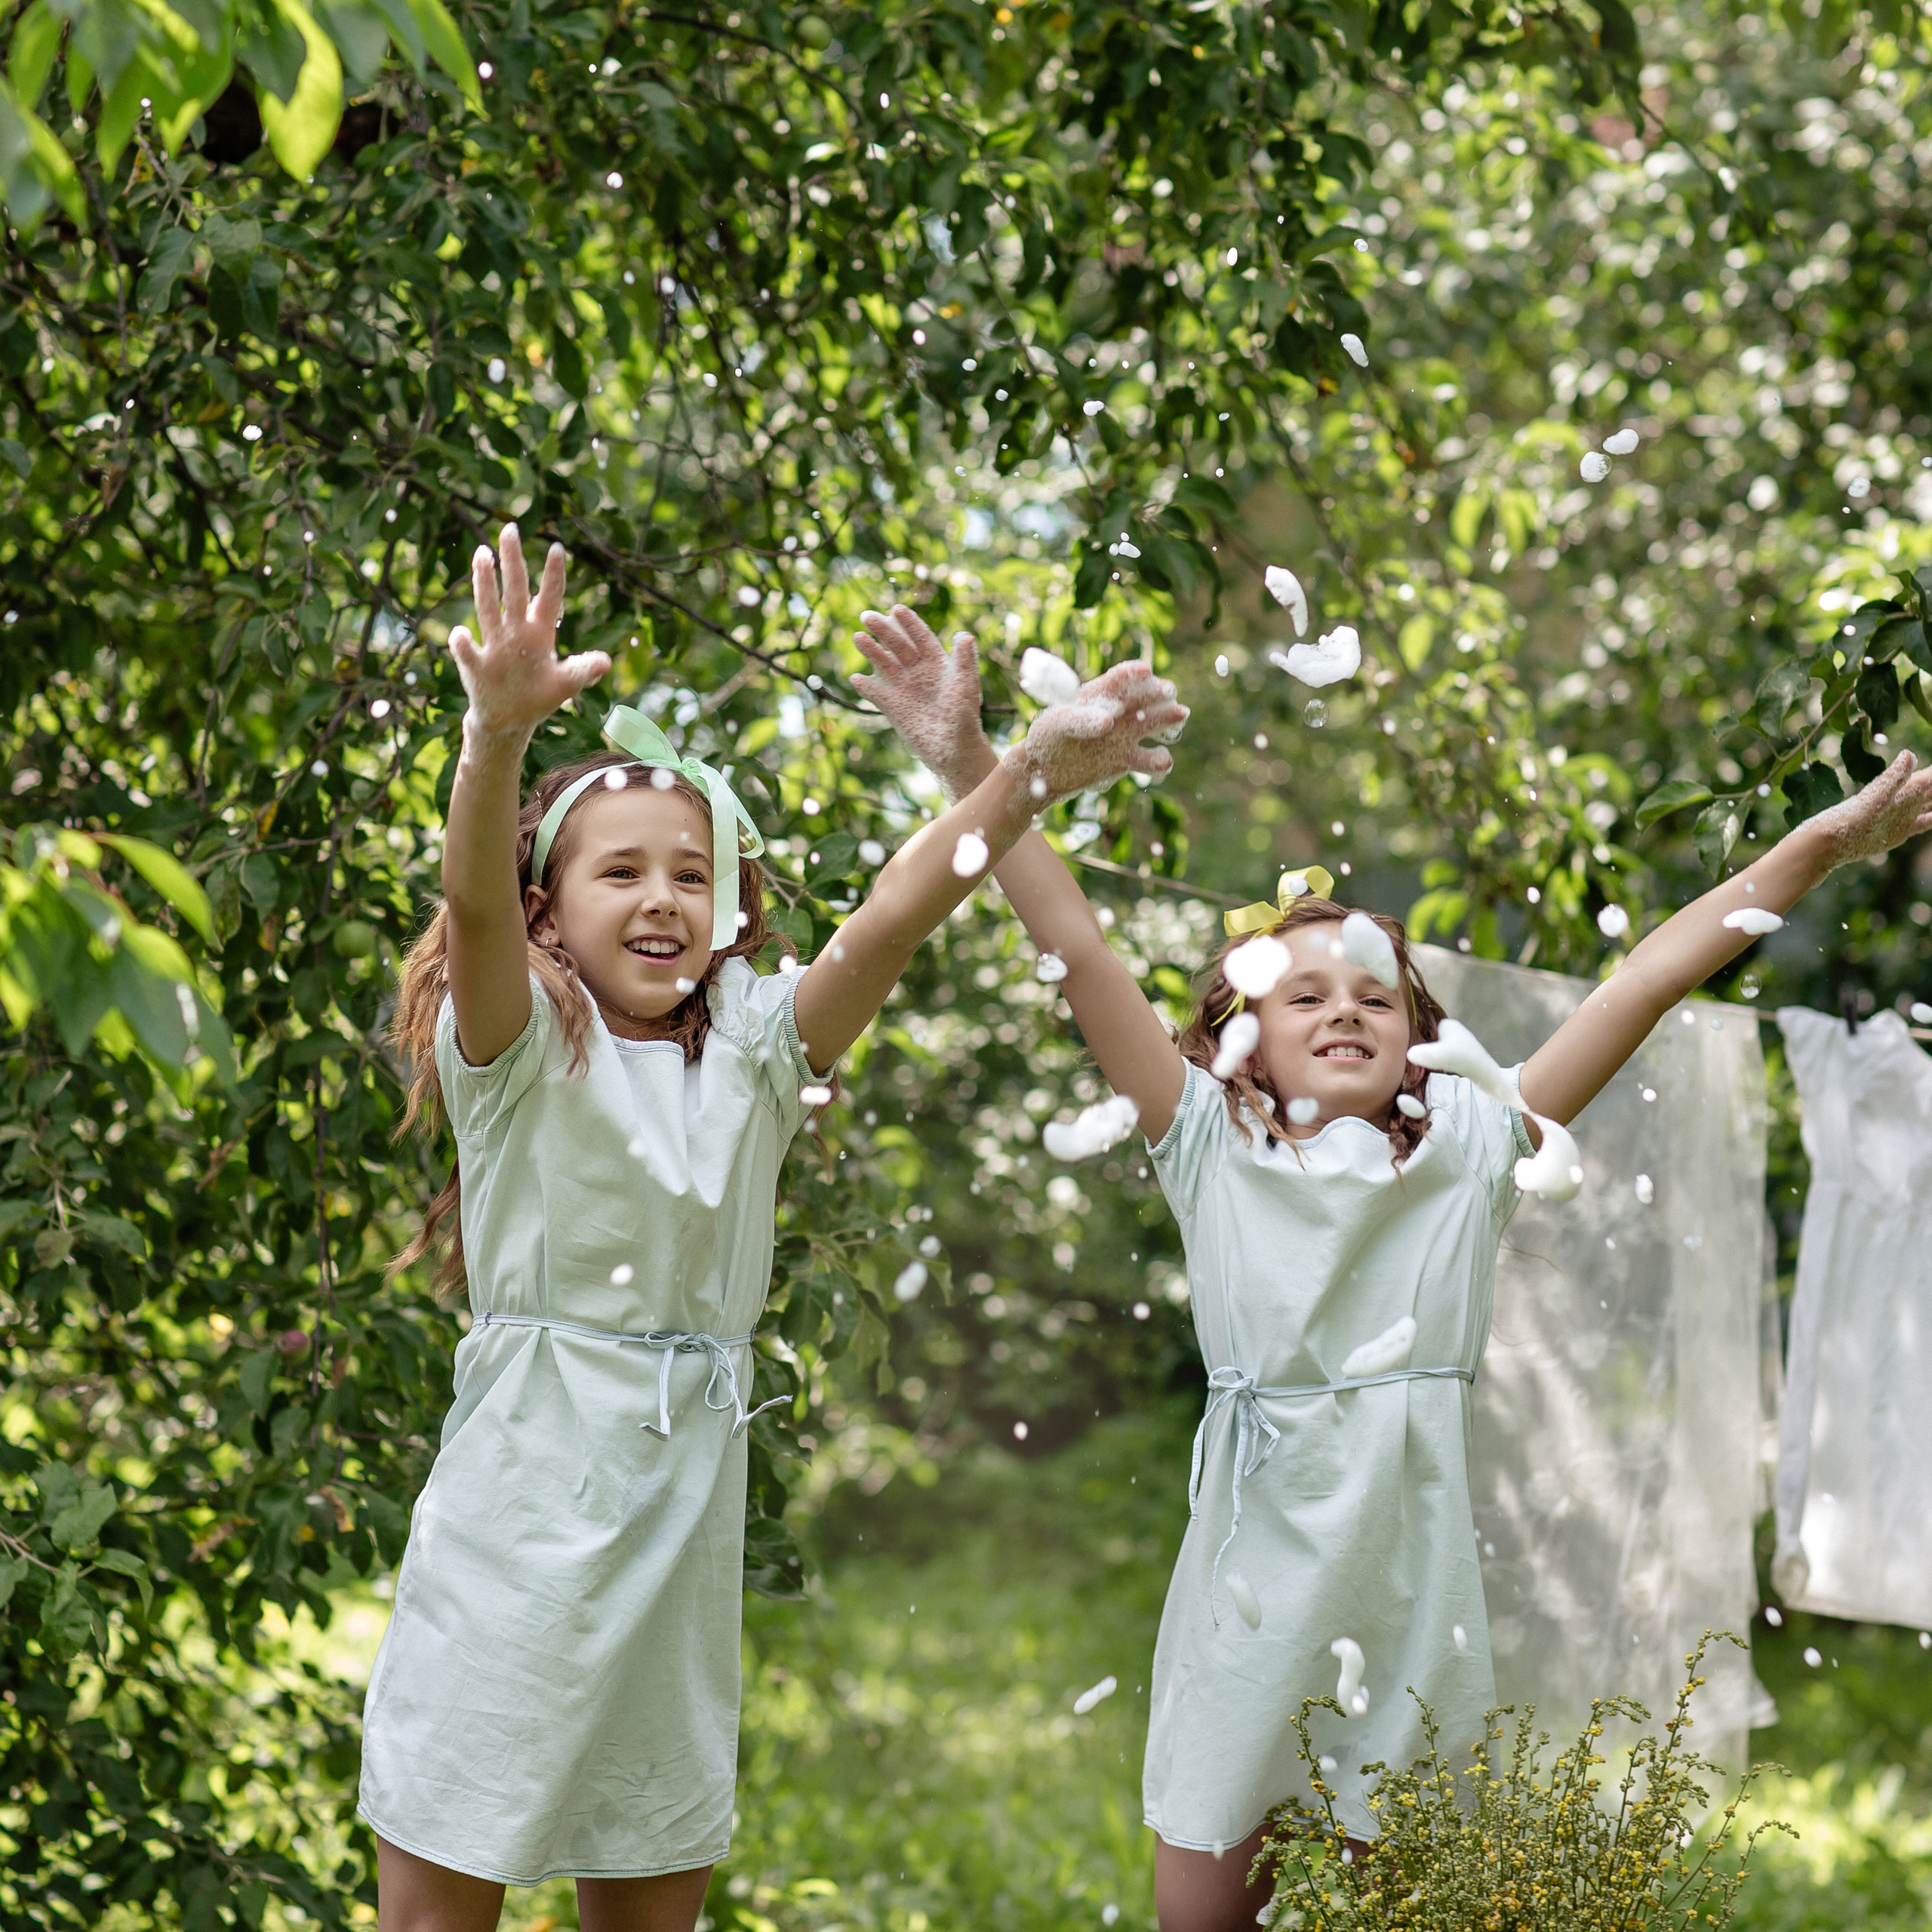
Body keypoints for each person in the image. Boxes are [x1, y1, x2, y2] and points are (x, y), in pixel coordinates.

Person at [851, 611, 1932, 1932]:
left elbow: (1644, 982)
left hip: (1413, 1578)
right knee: (1208, 1886)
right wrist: (971, 758)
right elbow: (1074, 945)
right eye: (1301, 997)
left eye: (1374, 992)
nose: (1344, 1009)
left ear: (1424, 1034)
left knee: (1411, 1902)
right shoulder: (1203, 1138)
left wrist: (1817, 845)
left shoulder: (1476, 1136)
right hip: (1254, 1575)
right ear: (1238, 1041)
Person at [361, 525, 1186, 1932]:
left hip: (676, 1530)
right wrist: (493, 737)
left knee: (649, 1885)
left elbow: (885, 925)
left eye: (694, 869)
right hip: (515, 1525)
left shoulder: (746, 1050)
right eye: (620, 872)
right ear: (551, 907)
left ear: (730, 901)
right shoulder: (514, 1051)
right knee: (445, 1904)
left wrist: (1023, 769)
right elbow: (467, 906)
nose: (664, 896)